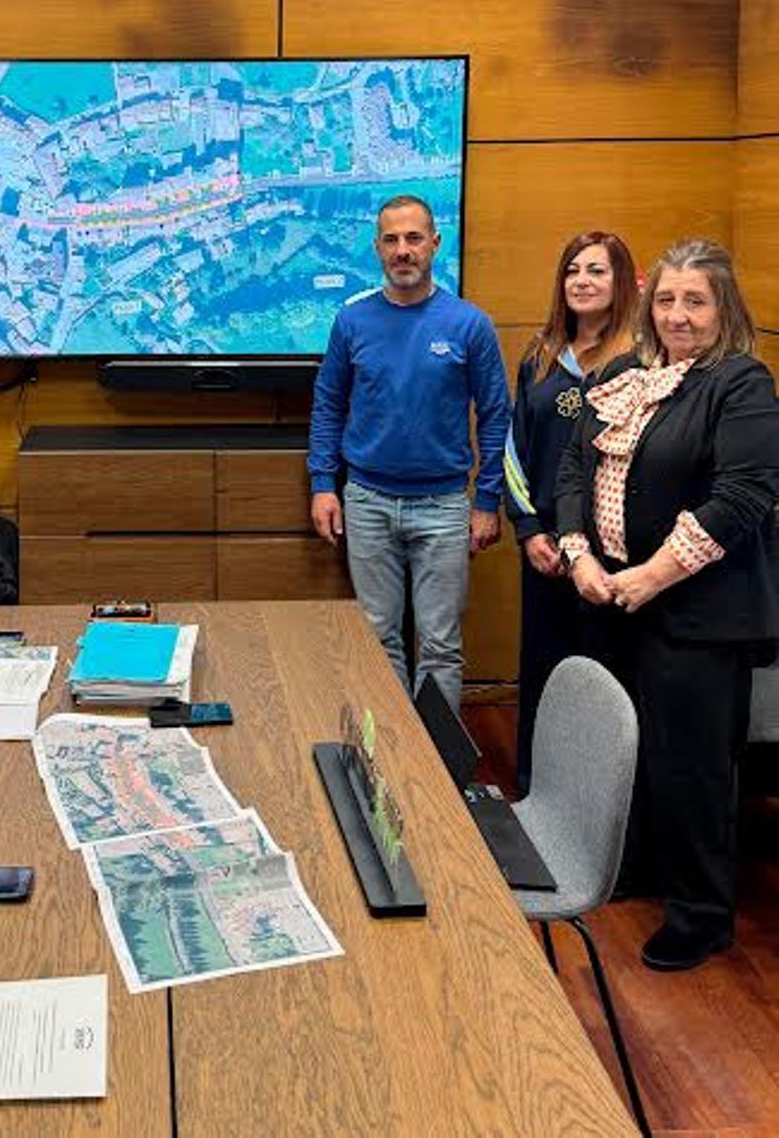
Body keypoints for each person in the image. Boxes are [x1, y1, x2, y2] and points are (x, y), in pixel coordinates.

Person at [556, 239, 779, 971]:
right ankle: (647, 871)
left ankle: (701, 915)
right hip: (621, 602)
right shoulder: (628, 374)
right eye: (666, 300)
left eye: (695, 301)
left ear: (724, 308)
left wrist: (651, 575)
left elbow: (742, 497)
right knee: (638, 753)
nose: (678, 315)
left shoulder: (741, 383)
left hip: (699, 615)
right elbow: (573, 464)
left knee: (694, 769)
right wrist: (579, 554)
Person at [308, 194, 509, 711]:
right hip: (367, 501)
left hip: (444, 507)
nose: (403, 250)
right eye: (392, 240)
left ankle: (437, 755)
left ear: (435, 244)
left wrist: (488, 501)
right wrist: (323, 484)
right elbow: (329, 404)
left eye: (414, 238)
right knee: (378, 637)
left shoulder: (470, 325)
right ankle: (395, 751)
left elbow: (495, 416)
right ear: (377, 247)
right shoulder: (352, 322)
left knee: (440, 645)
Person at [503, 231, 638, 792]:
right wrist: (529, 529)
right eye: (573, 270)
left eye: (597, 271)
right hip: (544, 550)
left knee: (606, 674)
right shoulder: (540, 357)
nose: (582, 281)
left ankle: (597, 801)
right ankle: (537, 788)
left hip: (611, 556)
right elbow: (514, 450)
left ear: (621, 281)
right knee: (545, 667)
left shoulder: (639, 361)